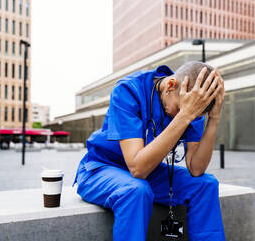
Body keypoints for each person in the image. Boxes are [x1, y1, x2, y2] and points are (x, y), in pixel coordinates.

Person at [73, 61, 226, 241]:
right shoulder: (128, 90)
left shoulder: (192, 104)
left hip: (147, 171)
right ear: (170, 85)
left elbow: (196, 168)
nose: (184, 116)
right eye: (179, 109)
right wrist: (185, 115)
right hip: (101, 168)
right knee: (136, 190)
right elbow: (138, 168)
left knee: (206, 184)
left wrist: (214, 118)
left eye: (193, 114)